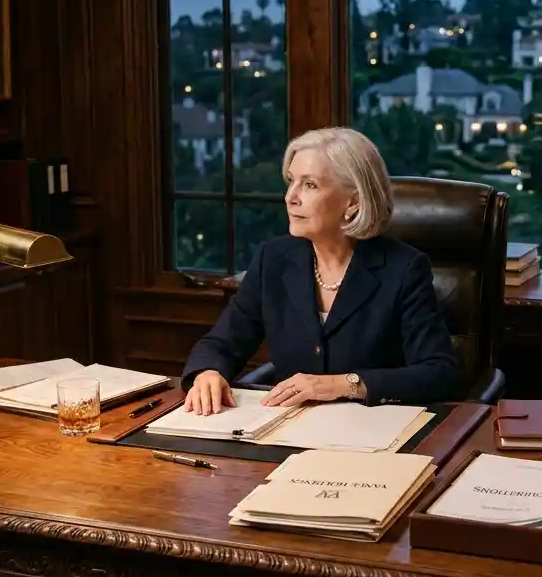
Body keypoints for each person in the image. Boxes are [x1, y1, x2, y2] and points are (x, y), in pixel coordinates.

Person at [181, 126, 462, 412]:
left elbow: (439, 373)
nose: (291, 197)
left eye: (310, 185)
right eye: (291, 181)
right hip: (288, 428)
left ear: (352, 202)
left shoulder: (403, 269)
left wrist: (343, 384)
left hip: (373, 433)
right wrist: (208, 372)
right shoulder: (274, 259)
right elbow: (221, 342)